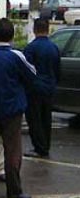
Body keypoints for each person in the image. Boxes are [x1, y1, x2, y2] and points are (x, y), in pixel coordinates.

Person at [0, 18, 36, 198]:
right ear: (12, 35)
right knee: (12, 150)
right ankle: (14, 190)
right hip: (12, 108)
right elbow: (32, 74)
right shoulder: (15, 55)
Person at [24, 18, 60, 158]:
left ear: (34, 30)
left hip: (34, 89)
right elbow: (57, 69)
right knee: (46, 117)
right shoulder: (54, 47)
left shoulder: (31, 48)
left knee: (35, 119)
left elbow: (26, 70)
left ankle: (39, 147)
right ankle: (46, 145)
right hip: (49, 87)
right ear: (48, 29)